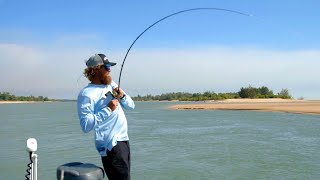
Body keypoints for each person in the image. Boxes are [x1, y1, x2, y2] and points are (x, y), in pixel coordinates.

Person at [77, 53, 135, 180]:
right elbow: (85, 125)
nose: (110, 70)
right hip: (111, 146)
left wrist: (123, 96)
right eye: (107, 66)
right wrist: (108, 109)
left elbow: (131, 105)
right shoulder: (86, 94)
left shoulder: (111, 84)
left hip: (123, 140)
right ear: (96, 69)